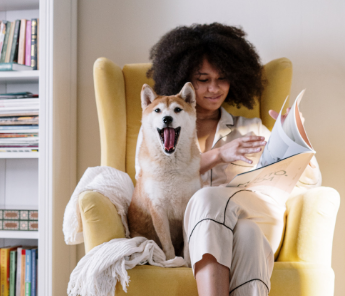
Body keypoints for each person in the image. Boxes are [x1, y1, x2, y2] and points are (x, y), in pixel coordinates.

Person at [142, 23, 321, 296]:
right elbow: (149, 183)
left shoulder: (252, 129)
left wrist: (295, 137)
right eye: (203, 79)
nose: (214, 88)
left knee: (214, 202)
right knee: (245, 233)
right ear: (184, 81)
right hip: (203, 239)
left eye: (222, 78)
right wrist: (218, 155)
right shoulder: (155, 132)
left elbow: (311, 181)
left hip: (259, 217)